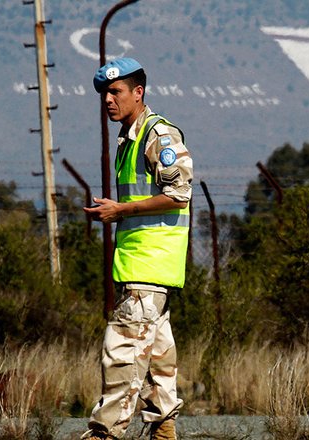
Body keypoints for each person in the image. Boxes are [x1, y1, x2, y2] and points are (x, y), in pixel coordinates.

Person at [82, 57, 193, 440]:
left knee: (122, 357)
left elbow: (179, 193)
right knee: (160, 366)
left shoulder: (157, 136)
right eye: (104, 94)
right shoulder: (129, 140)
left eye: (115, 92)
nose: (108, 100)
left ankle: (103, 434)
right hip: (142, 270)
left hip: (149, 269)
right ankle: (164, 431)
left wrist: (121, 210)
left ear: (138, 93)